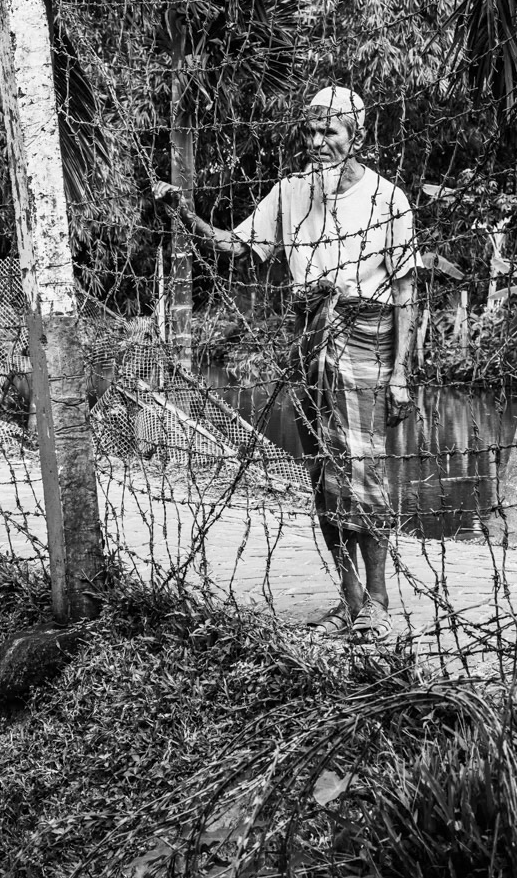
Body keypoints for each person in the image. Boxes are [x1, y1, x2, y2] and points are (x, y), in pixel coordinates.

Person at [154, 85, 416, 643]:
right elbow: (236, 246)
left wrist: (400, 375)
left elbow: (406, 291)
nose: (319, 141)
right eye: (313, 130)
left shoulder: (388, 200)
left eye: (332, 131)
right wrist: (185, 211)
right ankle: (349, 602)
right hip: (307, 340)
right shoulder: (289, 193)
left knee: (363, 472)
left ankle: (378, 601)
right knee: (323, 473)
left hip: (365, 335)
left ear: (356, 137)